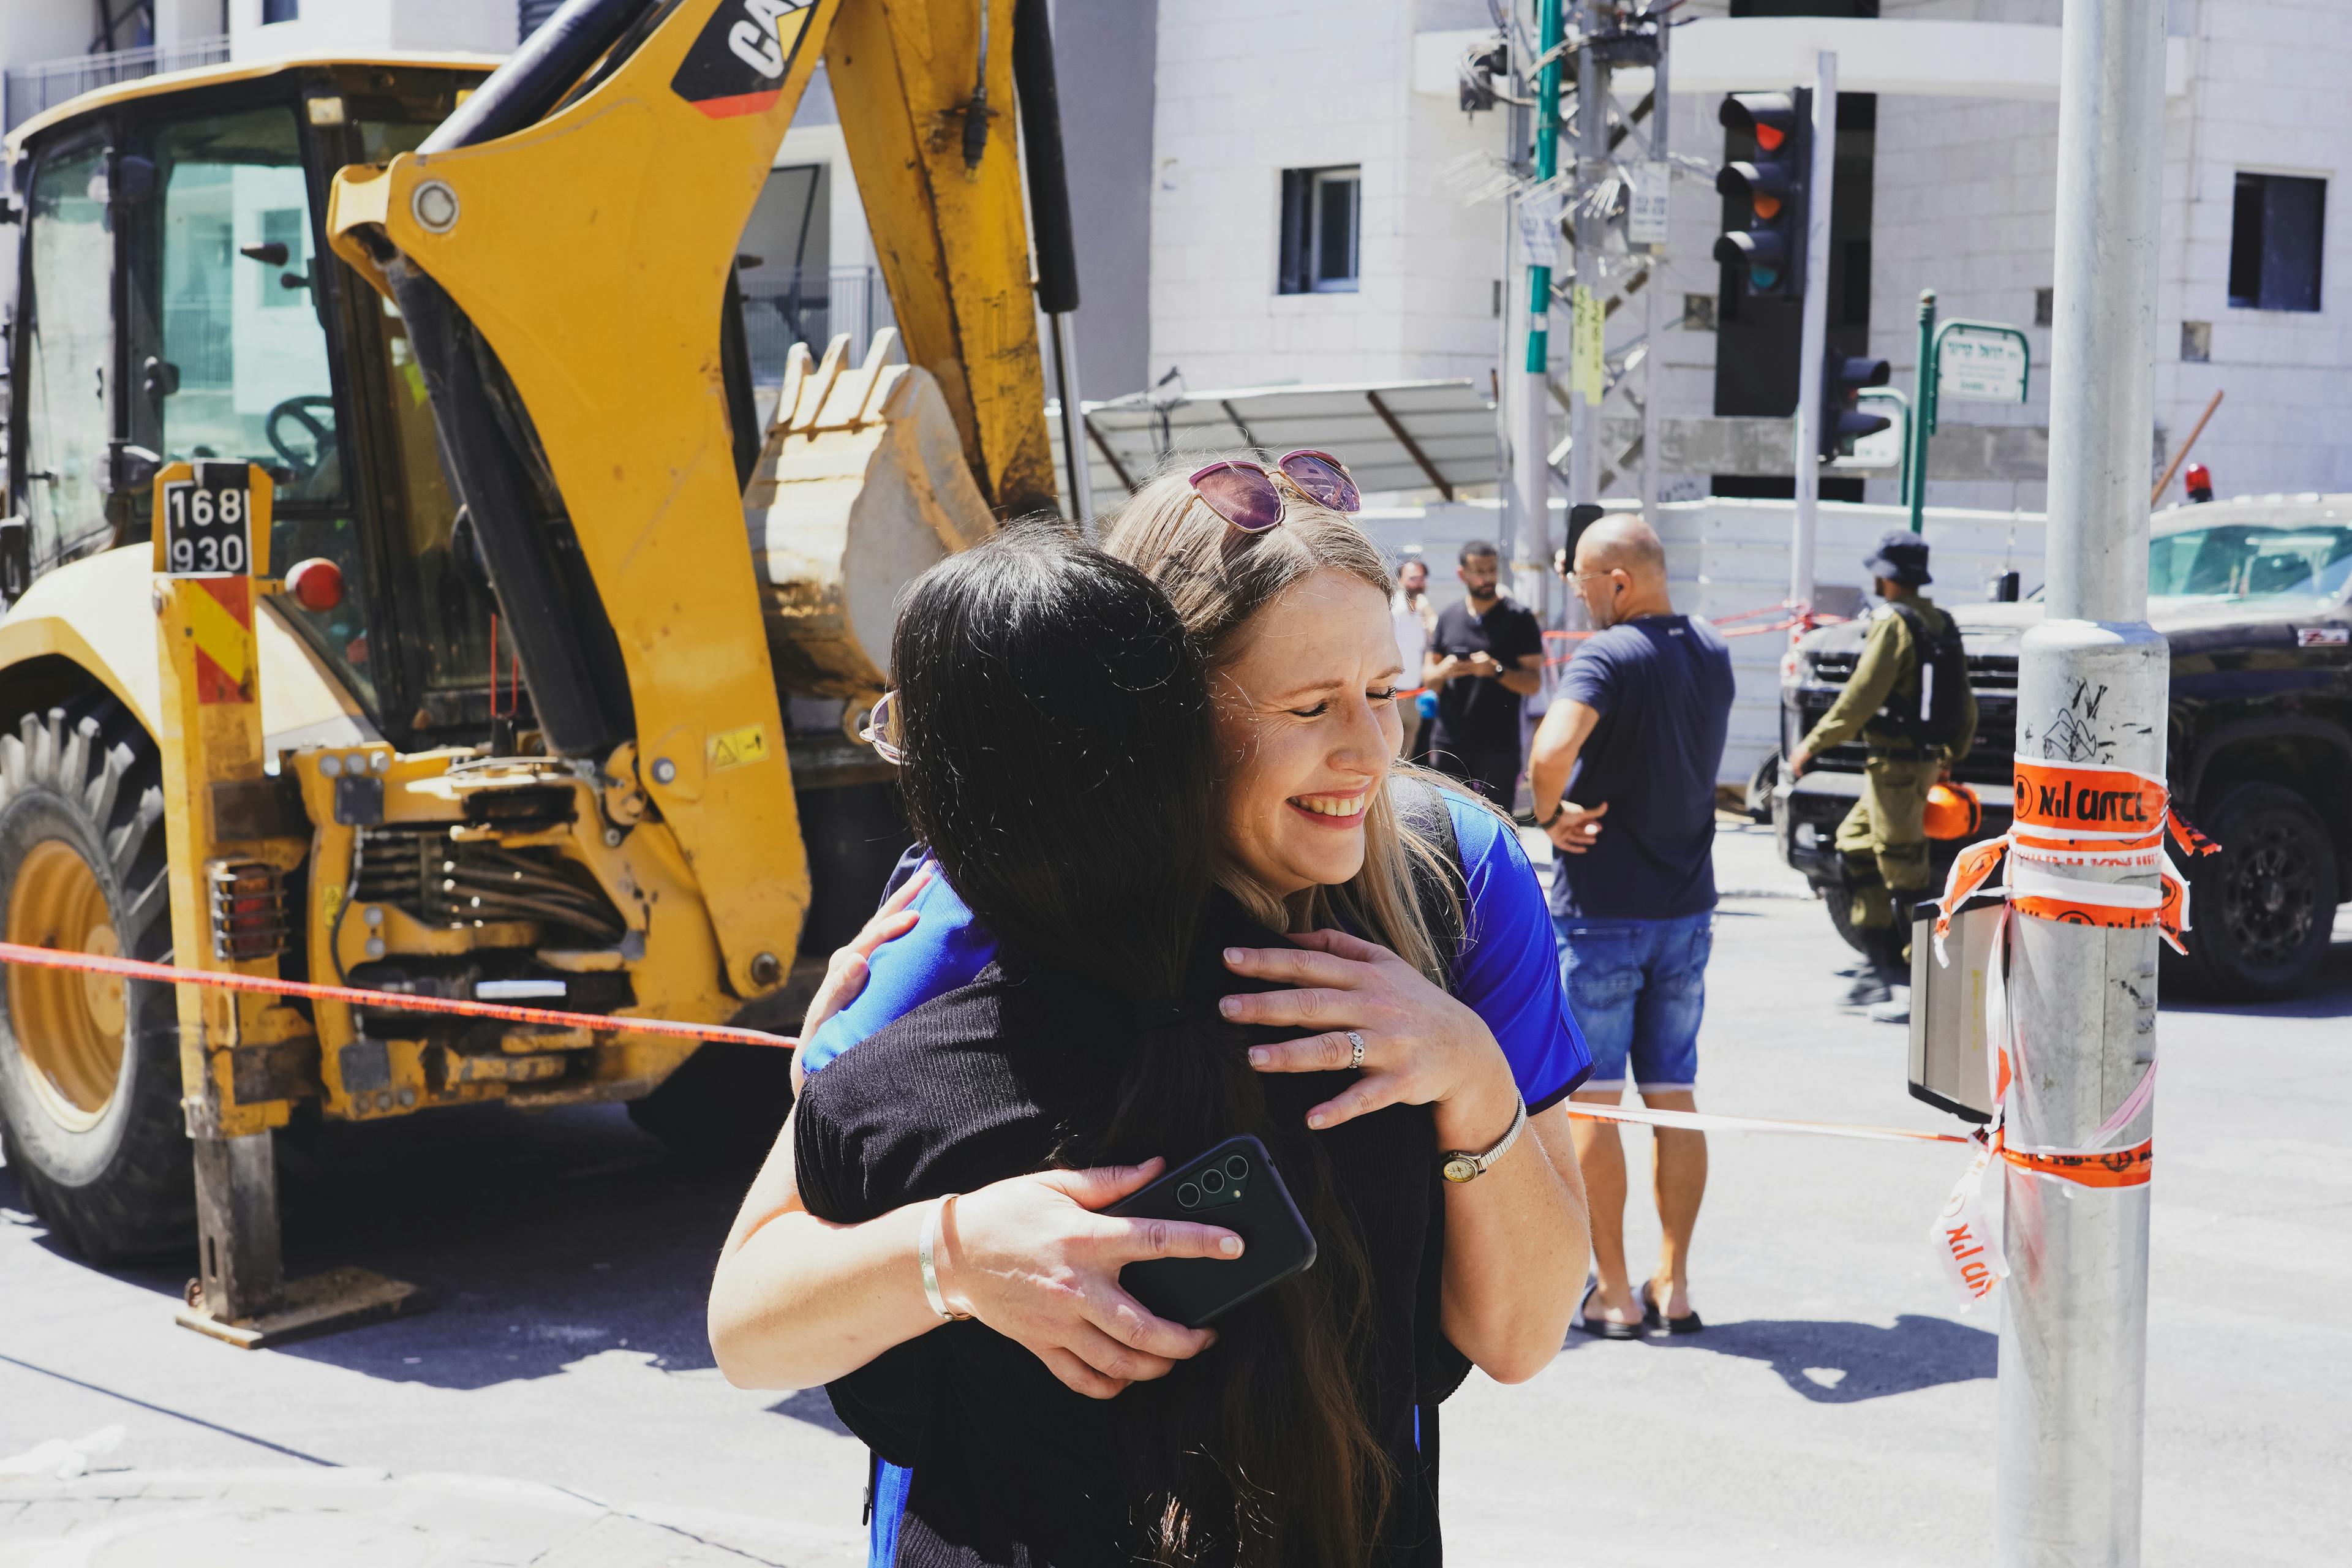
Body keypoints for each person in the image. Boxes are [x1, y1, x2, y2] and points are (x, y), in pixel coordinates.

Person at [712, 475, 1593, 1564]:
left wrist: (1473, 1076)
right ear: (1163, 719)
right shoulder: (966, 905)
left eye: (1386, 691)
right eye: (1312, 707)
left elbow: (1519, 1335)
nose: (1372, 755)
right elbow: (753, 1320)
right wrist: (958, 1250)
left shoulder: (1456, 871)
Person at [1526, 515, 1733, 1339]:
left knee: (1597, 1107)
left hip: (1604, 911)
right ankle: (1674, 1286)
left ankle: (1611, 1292)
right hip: (1687, 908)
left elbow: (1551, 750)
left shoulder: (1607, 655)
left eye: (1580, 573)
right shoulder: (1712, 648)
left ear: (1619, 580)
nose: (1574, 588)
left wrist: (1550, 814)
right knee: (1676, 1099)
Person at [1784, 530, 1977, 1021]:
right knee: (1853, 846)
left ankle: (1924, 993)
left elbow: (1861, 696)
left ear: (1887, 577)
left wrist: (1813, 744)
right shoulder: (1941, 621)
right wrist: (1953, 751)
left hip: (1897, 768)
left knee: (1905, 873)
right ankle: (1876, 973)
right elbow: (1966, 699)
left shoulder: (1894, 623)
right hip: (1913, 765)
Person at [1422, 541, 1544, 807]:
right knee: (1447, 823)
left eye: (1492, 570)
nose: (1487, 578)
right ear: (1462, 574)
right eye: (1479, 571)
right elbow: (1429, 678)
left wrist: (1495, 670)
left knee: (1500, 824)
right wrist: (1445, 670)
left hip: (1498, 744)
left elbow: (1533, 683)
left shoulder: (1519, 618)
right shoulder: (1449, 616)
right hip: (1450, 741)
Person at [1392, 557, 1436, 762]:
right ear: (1400, 581)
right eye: (1412, 578)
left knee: (1407, 760)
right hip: (1392, 697)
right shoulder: (1394, 611)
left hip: (1415, 696)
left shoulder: (1423, 613)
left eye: (1421, 578)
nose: (1417, 583)